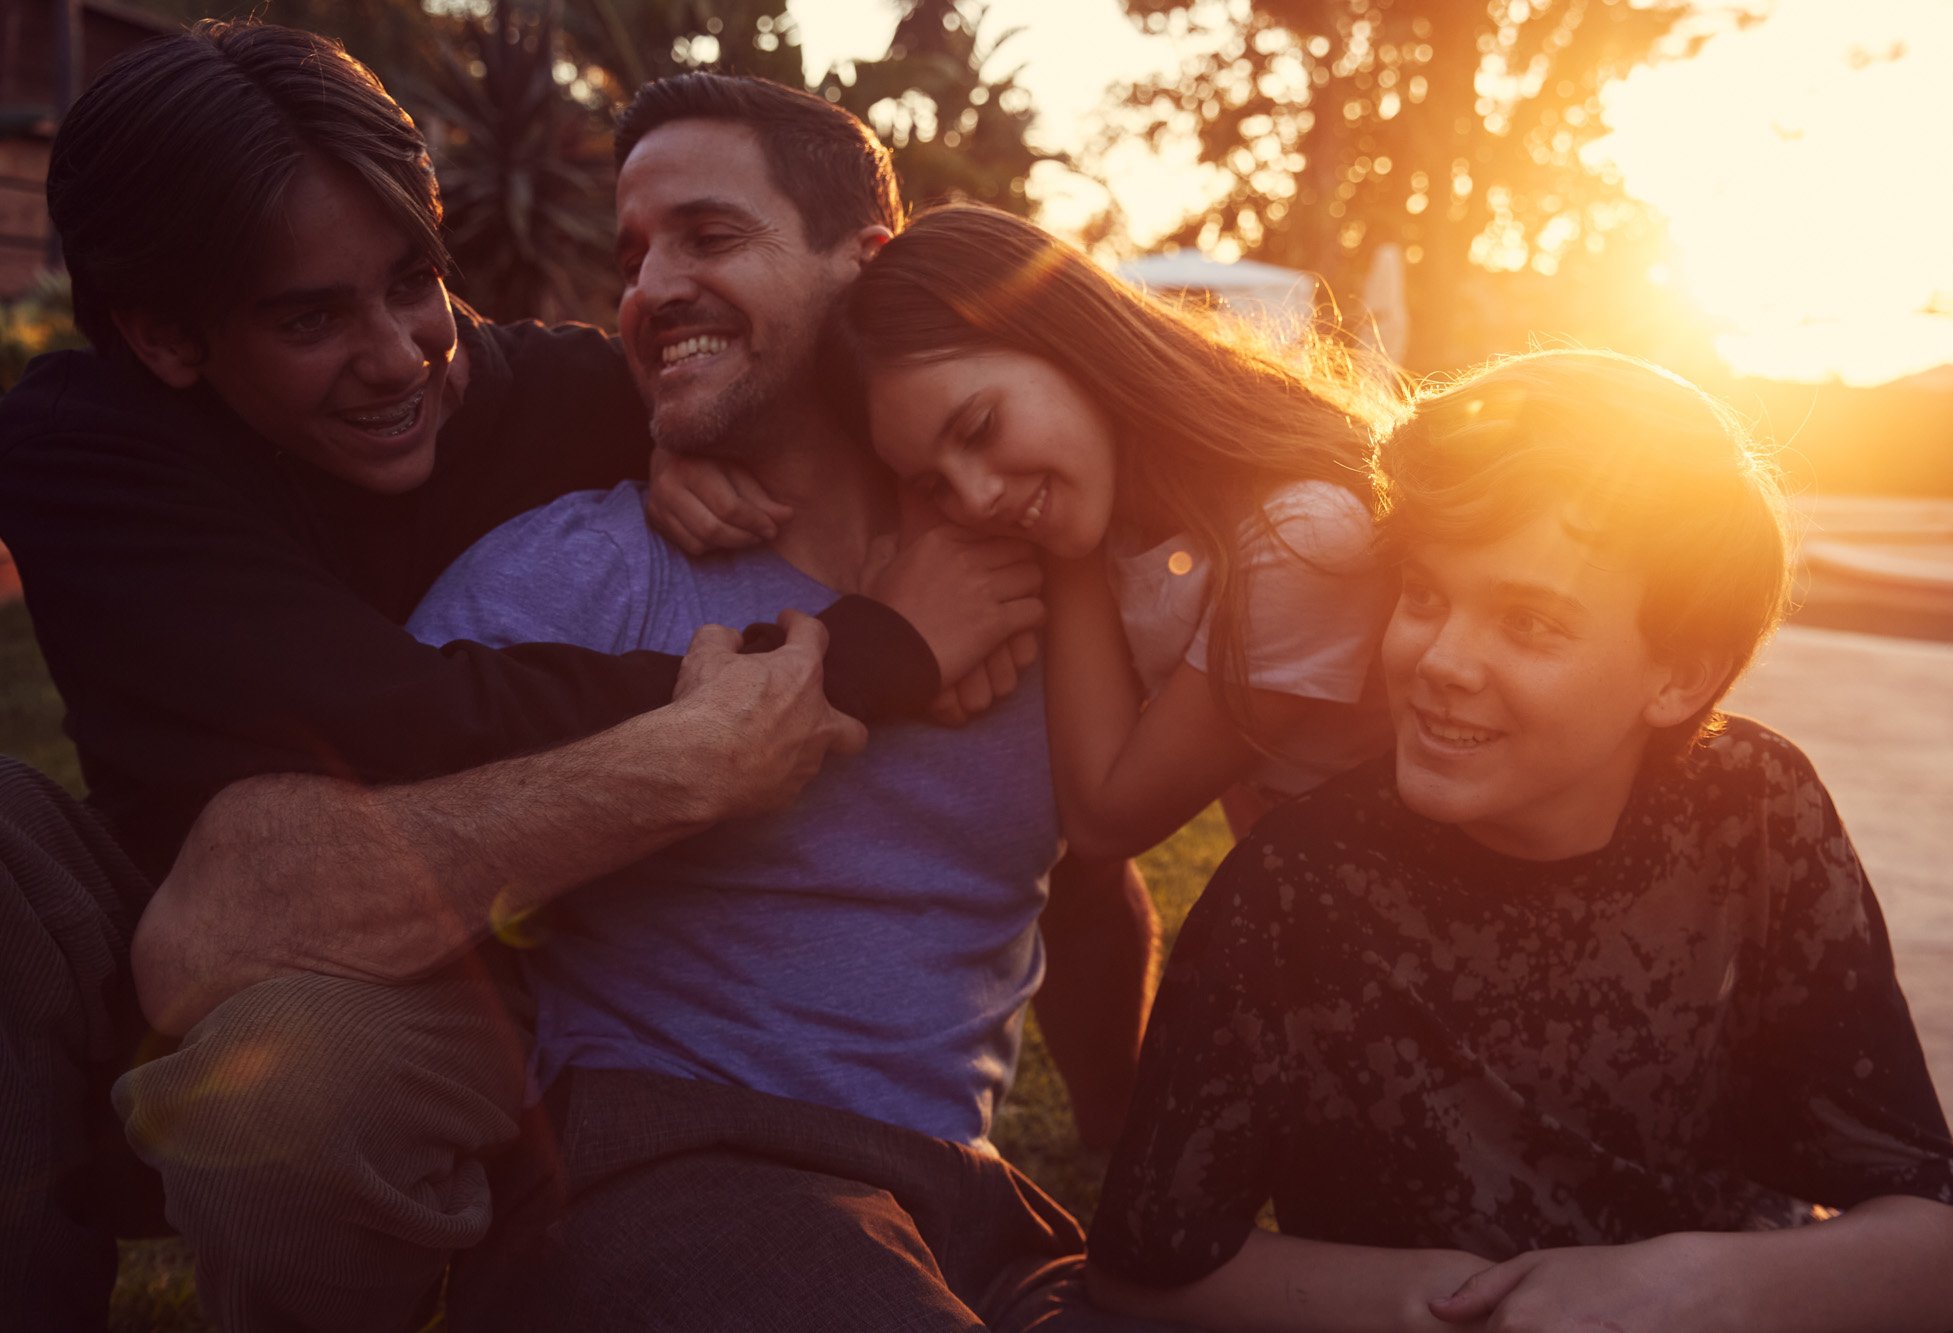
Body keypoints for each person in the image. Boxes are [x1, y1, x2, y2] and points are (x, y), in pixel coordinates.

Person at [0, 22, 1025, 1331]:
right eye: (311, 316)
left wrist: (675, 432)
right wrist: (871, 653)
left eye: (412, 279)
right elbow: (394, 715)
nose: (400, 354)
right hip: (190, 891)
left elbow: (727, 377)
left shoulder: (533, 388)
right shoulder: (85, 451)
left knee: (300, 1079)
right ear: (164, 338)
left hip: (477, 942)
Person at [401, 72, 1155, 1331]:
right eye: (635, 256)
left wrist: (1132, 1160)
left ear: (864, 267)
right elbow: (368, 837)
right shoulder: (574, 571)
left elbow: (1090, 875)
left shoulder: (1038, 555)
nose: (649, 290)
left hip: (960, 1199)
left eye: (709, 236)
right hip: (670, 1163)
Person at [1084, 350, 1953, 1332]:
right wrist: (1437, 1301)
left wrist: (1690, 1286)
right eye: (1425, 594)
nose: (1437, 660)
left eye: (1527, 621)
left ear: (1679, 674)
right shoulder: (1300, 888)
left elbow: (1950, 1246)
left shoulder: (1753, 807)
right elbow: (1136, 1264)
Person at [662, 202, 1400, 854]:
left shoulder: (1302, 532)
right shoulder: (1127, 512)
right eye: (933, 485)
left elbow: (1107, 815)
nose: (977, 499)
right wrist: (672, 452)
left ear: (1068, 339)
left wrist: (1061, 551)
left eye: (981, 426)